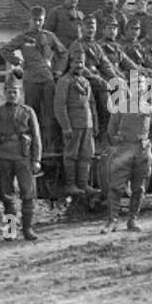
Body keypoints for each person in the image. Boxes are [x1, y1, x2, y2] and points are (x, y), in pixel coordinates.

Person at [0, 76, 41, 241]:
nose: (12, 95)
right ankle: (10, 230)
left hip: (24, 157)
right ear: (4, 93)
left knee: (28, 194)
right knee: (7, 196)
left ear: (20, 93)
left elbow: (36, 137)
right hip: (4, 157)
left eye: (15, 92)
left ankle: (28, 229)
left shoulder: (28, 112)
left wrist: (36, 159)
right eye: (8, 92)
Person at [102, 71, 152, 233]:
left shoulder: (150, 109)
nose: (138, 88)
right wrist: (121, 146)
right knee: (116, 187)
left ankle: (133, 219)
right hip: (123, 151)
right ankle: (112, 221)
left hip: (142, 151)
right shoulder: (120, 108)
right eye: (135, 85)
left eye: (141, 85)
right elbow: (111, 130)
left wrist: (144, 146)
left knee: (139, 188)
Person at [0, 6, 67, 141]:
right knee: (32, 113)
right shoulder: (23, 38)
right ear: (30, 20)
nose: (37, 23)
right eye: (35, 20)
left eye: (40, 20)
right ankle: (34, 143)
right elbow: (4, 50)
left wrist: (59, 70)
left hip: (48, 79)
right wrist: (18, 62)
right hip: (31, 80)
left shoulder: (49, 37)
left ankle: (49, 145)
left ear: (44, 20)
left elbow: (63, 53)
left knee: (50, 113)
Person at [54, 51, 99, 198]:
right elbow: (60, 106)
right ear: (70, 64)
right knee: (71, 155)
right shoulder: (64, 82)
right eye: (76, 63)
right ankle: (70, 185)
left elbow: (91, 104)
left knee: (87, 155)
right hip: (73, 125)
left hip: (87, 124)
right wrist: (66, 126)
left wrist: (95, 124)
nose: (79, 66)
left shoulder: (86, 81)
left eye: (82, 63)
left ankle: (83, 184)